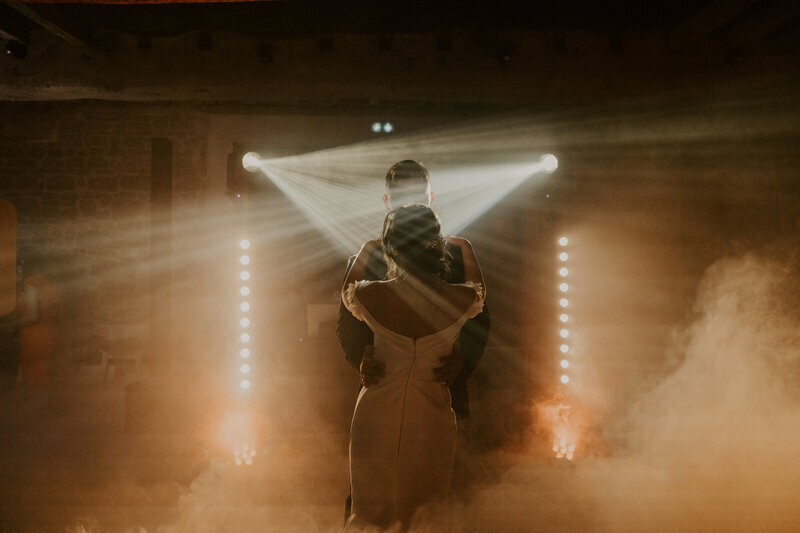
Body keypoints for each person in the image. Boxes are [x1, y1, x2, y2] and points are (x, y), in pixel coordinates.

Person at [341, 204, 486, 530]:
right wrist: (466, 246)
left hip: (376, 412)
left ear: (391, 245)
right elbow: (481, 294)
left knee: (369, 509)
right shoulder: (459, 298)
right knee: (425, 509)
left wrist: (367, 247)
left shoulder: (372, 294)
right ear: (437, 244)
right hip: (430, 413)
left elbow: (346, 293)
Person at [337, 159, 491, 418]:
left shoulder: (458, 254)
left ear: (431, 198)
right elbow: (347, 326)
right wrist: (361, 361)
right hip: (382, 389)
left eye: (417, 196)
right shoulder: (366, 258)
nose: (409, 204)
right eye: (401, 196)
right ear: (386, 200)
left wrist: (462, 360)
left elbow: (481, 322)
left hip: (445, 389)